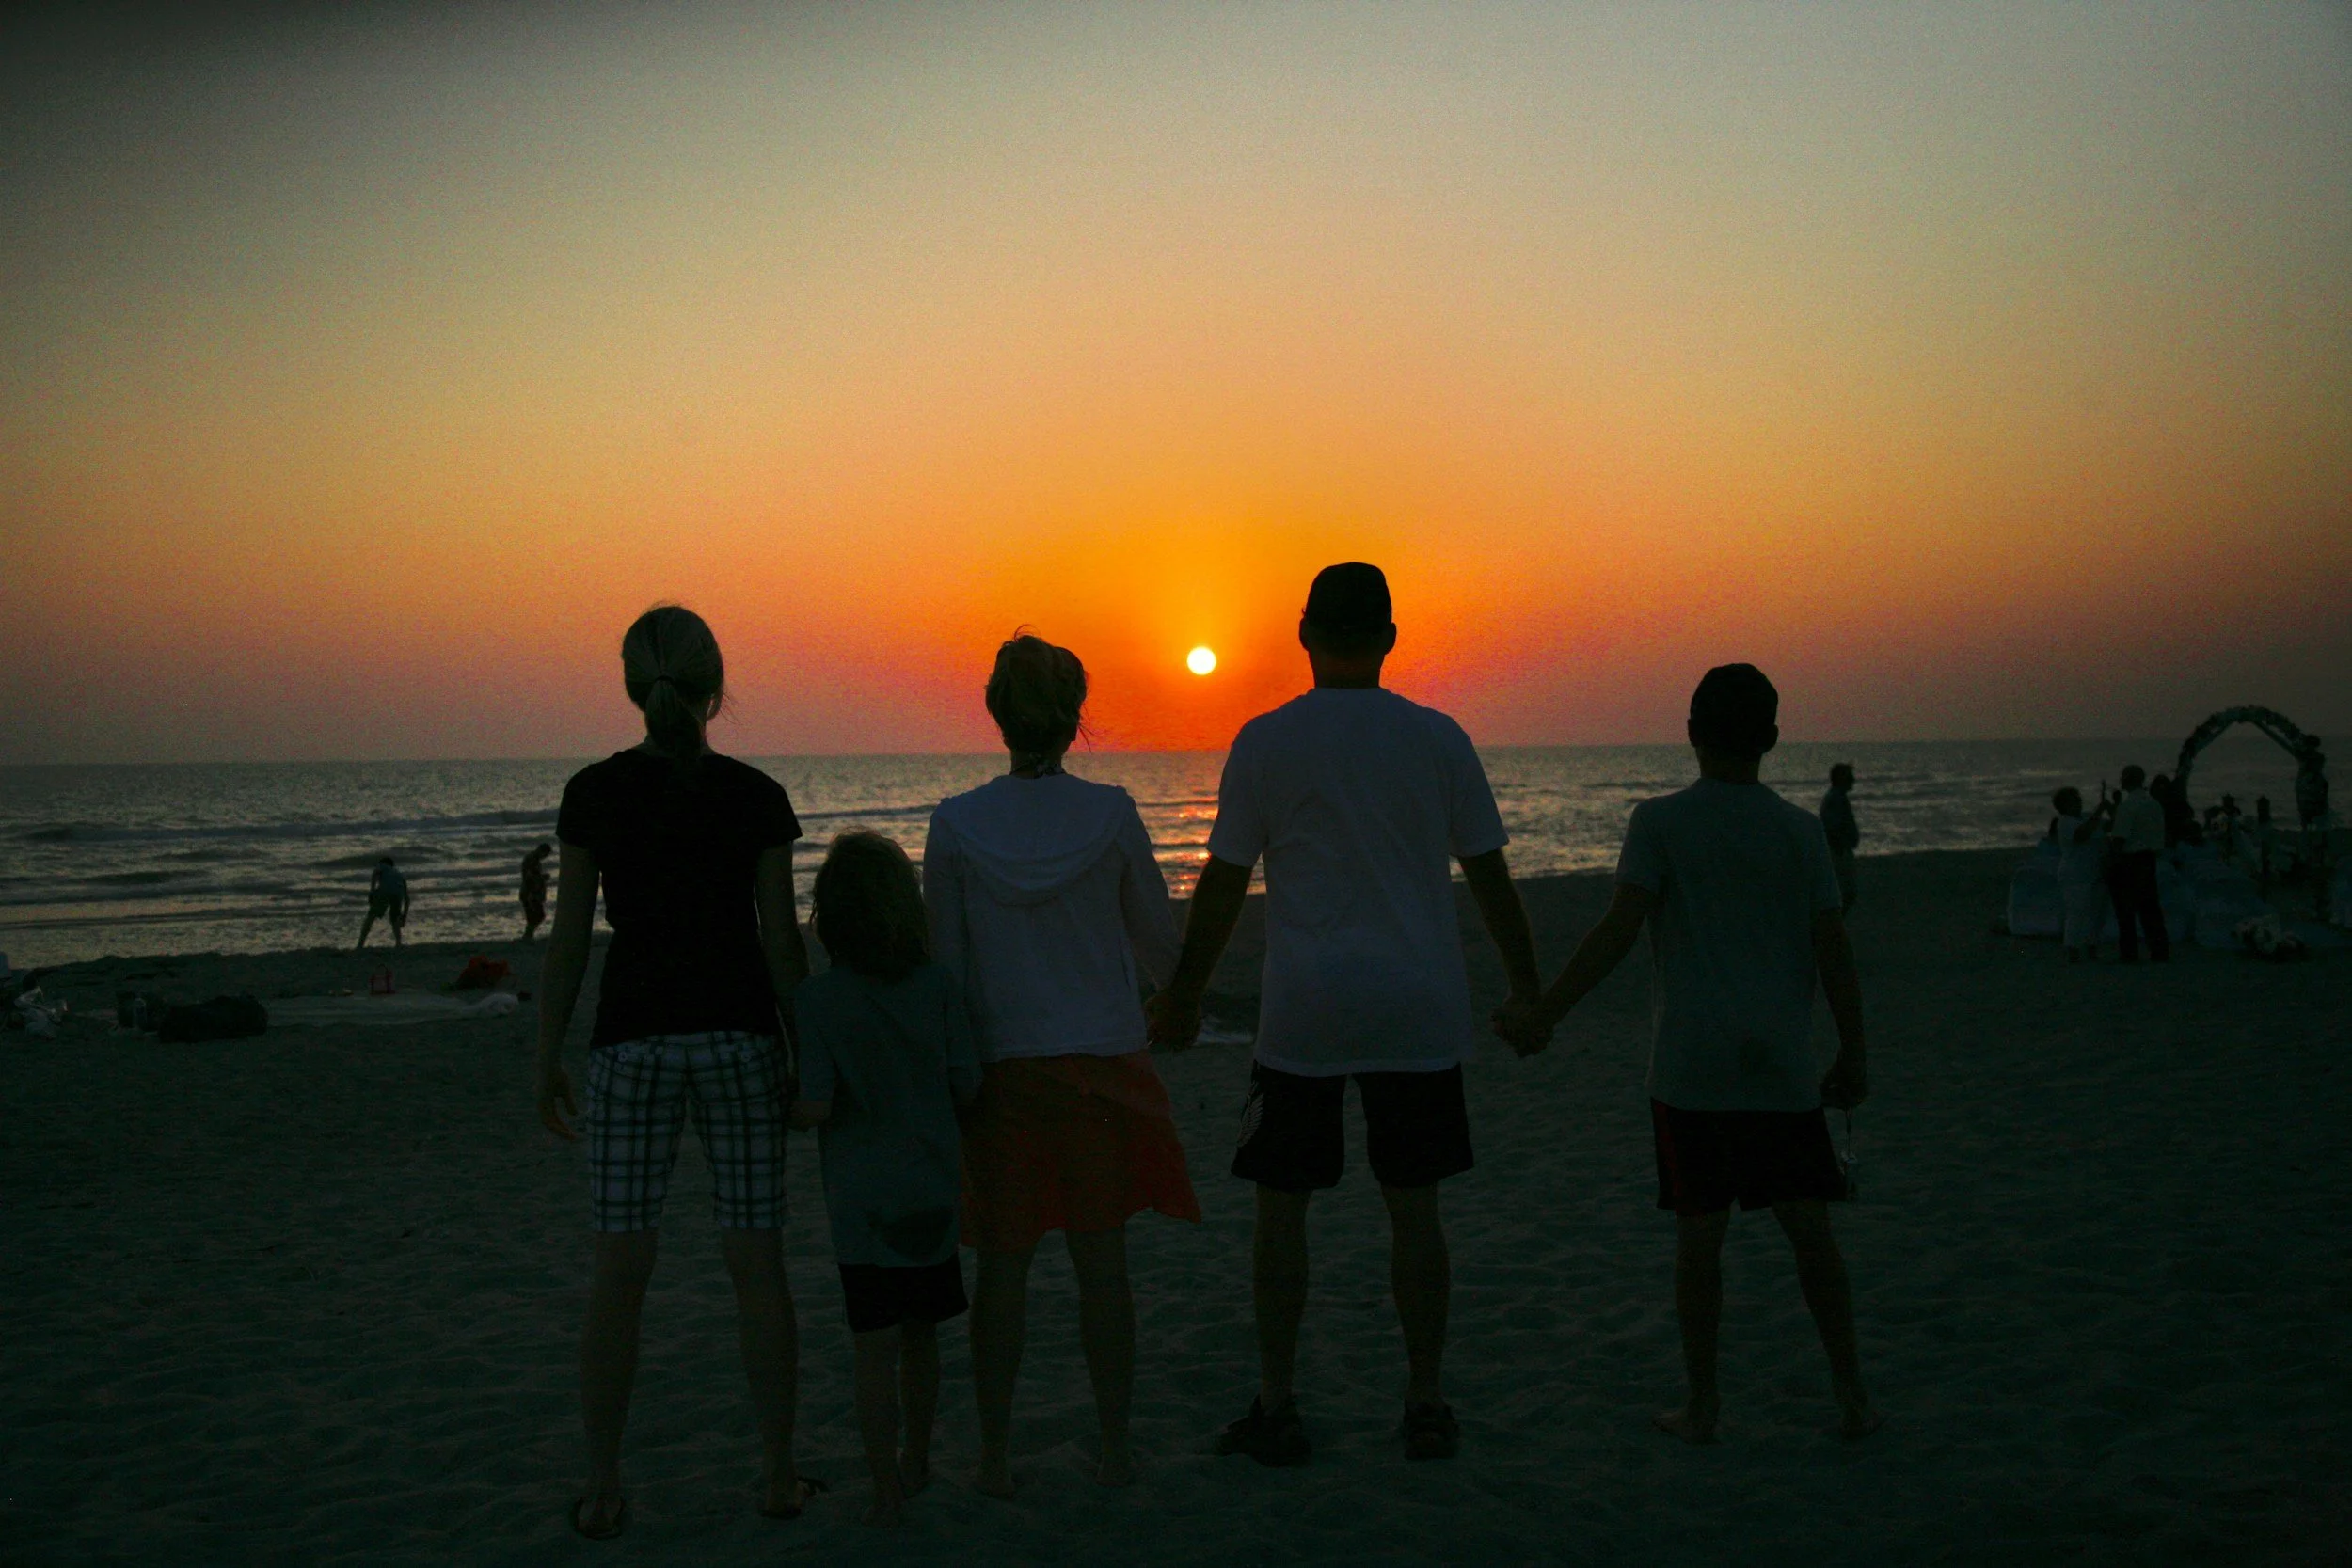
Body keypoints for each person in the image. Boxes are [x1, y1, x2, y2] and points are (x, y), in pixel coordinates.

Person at [1146, 563, 1544, 1467]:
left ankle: (1278, 1402)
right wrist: (1526, 987)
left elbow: (1223, 881)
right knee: (1415, 1211)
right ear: (1391, 637)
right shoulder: (1439, 738)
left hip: (1308, 1008)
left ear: (1304, 633)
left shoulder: (1266, 740)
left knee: (1282, 1212)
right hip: (1416, 1005)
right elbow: (1490, 875)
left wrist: (1186, 993)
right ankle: (1426, 1401)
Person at [1495, 663, 1878, 1444]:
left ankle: (1702, 1403)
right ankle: (1852, 1393)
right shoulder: (1801, 831)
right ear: (1773, 738)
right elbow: (1832, 945)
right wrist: (1854, 1049)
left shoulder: (1661, 822)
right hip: (1779, 1064)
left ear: (1691, 732)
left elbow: (1617, 930)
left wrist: (1547, 1014)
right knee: (1811, 1234)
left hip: (1691, 1068)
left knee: (1700, 1242)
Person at [533, 605, 818, 1539]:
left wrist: (547, 1052)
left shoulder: (594, 793)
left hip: (632, 1042)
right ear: (714, 685)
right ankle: (776, 1473)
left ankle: (604, 1484)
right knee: (756, 1262)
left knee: (620, 1269)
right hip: (739, 1036)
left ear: (632, 686)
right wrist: (804, 1051)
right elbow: (781, 943)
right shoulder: (754, 795)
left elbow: (570, 941)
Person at [925, 633, 1200, 1497]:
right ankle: (1114, 1447)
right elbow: (1160, 945)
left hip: (1004, 1070)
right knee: (1102, 1265)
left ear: (997, 715)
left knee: (1003, 1269)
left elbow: (948, 972)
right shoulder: (1111, 814)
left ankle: (995, 1457)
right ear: (1074, 716)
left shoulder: (956, 824)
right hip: (1103, 1064)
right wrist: (1180, 1002)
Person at [791, 833, 980, 1528]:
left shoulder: (818, 1000)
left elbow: (815, 1106)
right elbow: (968, 1084)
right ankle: (918, 1459)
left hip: (861, 1208)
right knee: (922, 1339)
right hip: (931, 1195)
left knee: (873, 1347)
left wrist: (785, 1107)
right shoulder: (938, 987)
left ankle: (883, 1488)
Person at [2105, 765, 2170, 963]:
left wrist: (2111, 862)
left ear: (2127, 779)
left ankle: (2129, 953)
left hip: (2129, 861)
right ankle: (2159, 951)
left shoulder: (2128, 806)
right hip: (2148, 859)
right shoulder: (2154, 804)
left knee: (2125, 910)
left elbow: (2119, 838)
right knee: (2150, 907)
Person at [2051, 787, 2109, 962]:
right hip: (2075, 875)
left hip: (2095, 871)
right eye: (2074, 801)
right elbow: (2082, 834)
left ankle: (2092, 948)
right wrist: (2099, 811)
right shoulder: (2065, 823)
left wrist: (2112, 807)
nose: (2078, 803)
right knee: (2077, 912)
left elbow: (2108, 826)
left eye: (2078, 800)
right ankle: (2073, 950)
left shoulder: (2085, 817)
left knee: (2097, 913)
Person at [1820, 763, 1859, 912]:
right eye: (1849, 776)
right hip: (1839, 852)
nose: (1853, 780)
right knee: (1845, 893)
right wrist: (1839, 847)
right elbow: (1831, 827)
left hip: (1841, 850)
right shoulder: (1835, 798)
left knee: (1845, 893)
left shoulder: (1838, 797)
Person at [355, 856, 409, 950]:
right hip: (398, 893)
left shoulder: (382, 866)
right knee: (395, 918)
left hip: (385, 890)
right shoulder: (399, 874)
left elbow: (375, 873)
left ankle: (360, 944)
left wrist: (372, 891)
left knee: (371, 916)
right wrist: (404, 916)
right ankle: (398, 943)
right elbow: (407, 899)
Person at [521, 842, 553, 941]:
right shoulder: (532, 859)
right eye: (545, 854)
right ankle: (527, 936)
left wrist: (541, 877)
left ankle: (528, 936)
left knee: (534, 916)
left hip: (530, 892)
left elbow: (532, 875)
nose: (545, 857)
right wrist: (542, 878)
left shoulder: (532, 859)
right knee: (537, 915)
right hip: (530, 893)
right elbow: (530, 878)